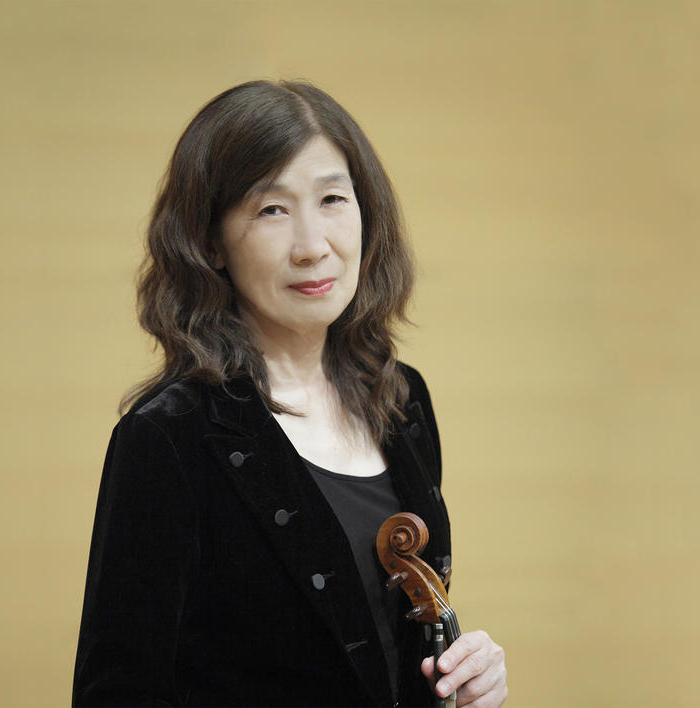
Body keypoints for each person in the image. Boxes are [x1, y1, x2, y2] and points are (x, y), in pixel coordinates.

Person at [72, 79, 507, 707]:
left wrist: (463, 680)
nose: (312, 247)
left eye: (332, 199)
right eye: (271, 210)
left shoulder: (401, 402)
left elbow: (381, 648)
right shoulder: (169, 435)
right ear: (211, 242)